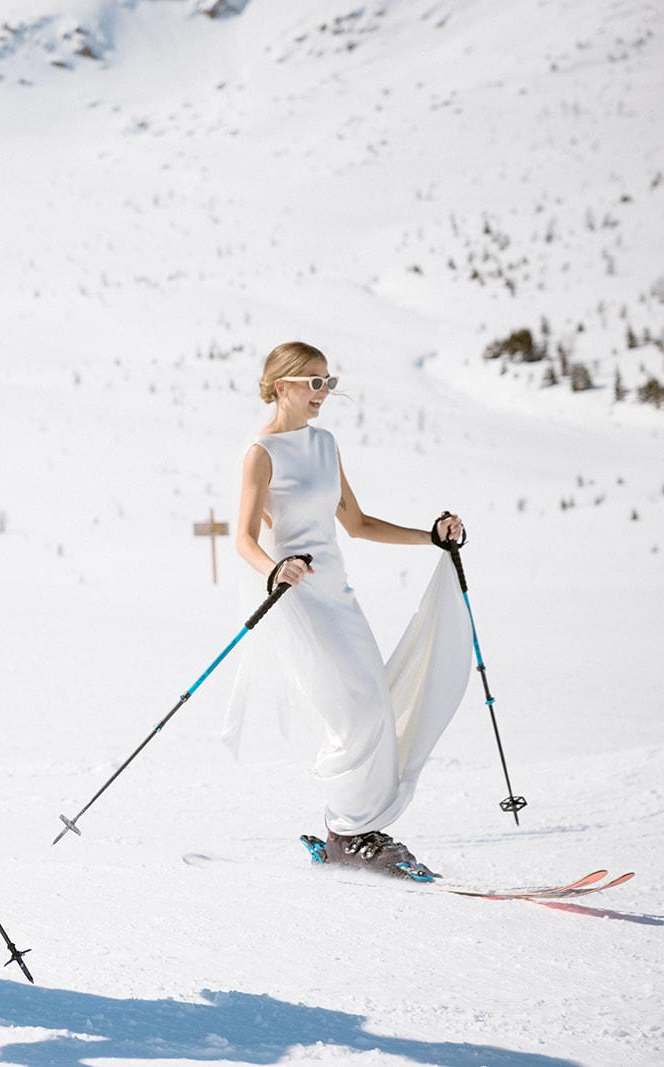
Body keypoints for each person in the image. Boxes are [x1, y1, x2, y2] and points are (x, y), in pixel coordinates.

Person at [227, 341, 472, 878]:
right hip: (296, 595)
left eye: (329, 382)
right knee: (353, 711)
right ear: (282, 385)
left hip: (338, 594)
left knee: (377, 704)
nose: (325, 393)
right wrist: (275, 569)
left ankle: (354, 827)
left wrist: (430, 537)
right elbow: (242, 538)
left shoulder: (325, 445)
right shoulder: (261, 451)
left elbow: (357, 525)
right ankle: (348, 830)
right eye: (315, 382)